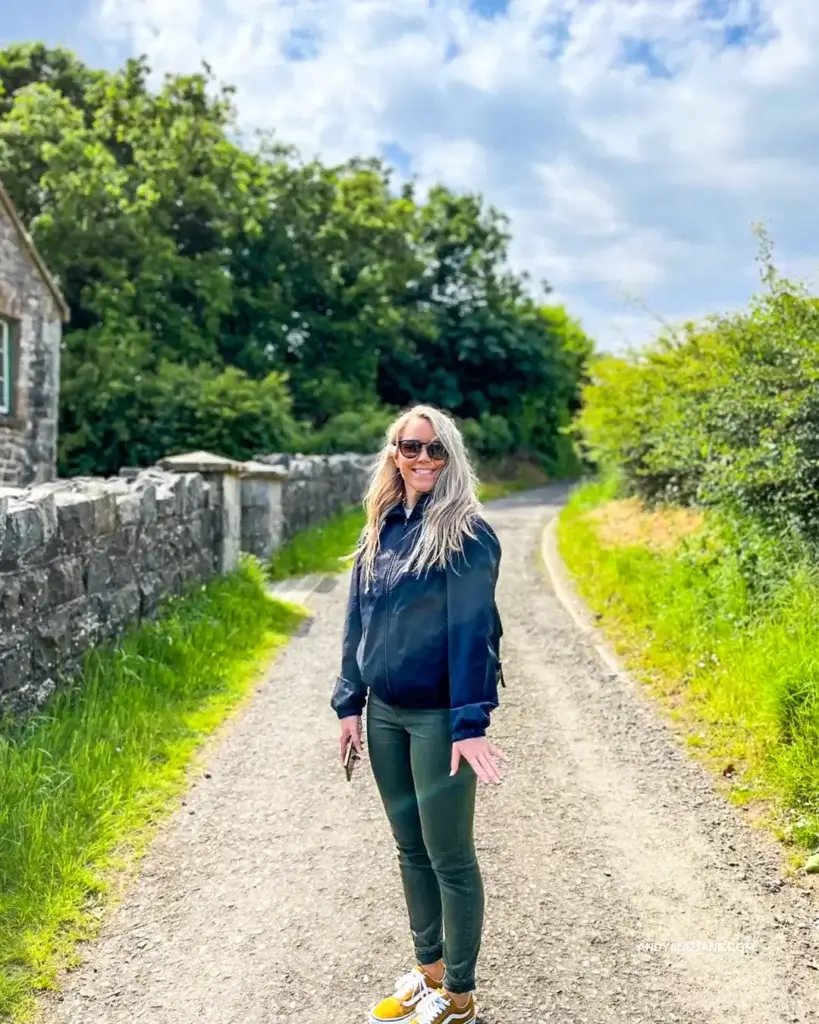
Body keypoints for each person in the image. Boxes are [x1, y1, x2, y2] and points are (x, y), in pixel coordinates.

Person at [331, 404, 505, 1024]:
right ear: (394, 454)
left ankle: (458, 994)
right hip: (384, 716)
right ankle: (428, 971)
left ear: (452, 457)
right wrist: (349, 703)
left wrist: (469, 722)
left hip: (437, 718)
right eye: (412, 448)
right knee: (410, 849)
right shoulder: (379, 525)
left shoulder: (467, 533)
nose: (424, 460)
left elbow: (474, 634)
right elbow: (359, 620)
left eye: (436, 450)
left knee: (449, 854)